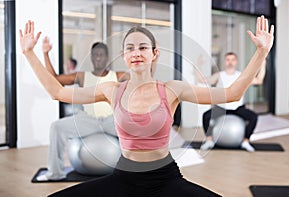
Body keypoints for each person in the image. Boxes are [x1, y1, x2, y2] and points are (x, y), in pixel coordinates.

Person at [20, 16, 274, 196]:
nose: (136, 52)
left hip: (164, 177)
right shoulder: (111, 90)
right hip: (123, 175)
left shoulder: (173, 89)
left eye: (143, 47)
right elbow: (57, 91)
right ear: (125, 56)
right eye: (130, 48)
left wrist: (261, 53)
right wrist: (30, 53)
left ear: (154, 53)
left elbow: (231, 93)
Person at [37, 39, 129, 181]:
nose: (98, 58)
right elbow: (54, 80)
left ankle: (139, 172)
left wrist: (131, 58)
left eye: (102, 55)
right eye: (95, 55)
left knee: (137, 128)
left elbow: (141, 79)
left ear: (107, 58)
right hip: (88, 120)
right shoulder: (81, 76)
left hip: (112, 120)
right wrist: (45, 54)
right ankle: (55, 173)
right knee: (56, 127)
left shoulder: (119, 76)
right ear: (91, 57)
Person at [197, 52, 266, 152]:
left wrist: (263, 64)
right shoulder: (219, 75)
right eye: (228, 60)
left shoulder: (241, 76)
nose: (230, 62)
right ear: (225, 62)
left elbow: (259, 80)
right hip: (221, 108)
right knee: (206, 116)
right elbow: (202, 80)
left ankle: (245, 141)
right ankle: (209, 140)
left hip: (237, 108)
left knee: (253, 117)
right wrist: (199, 65)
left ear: (236, 62)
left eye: (232, 60)